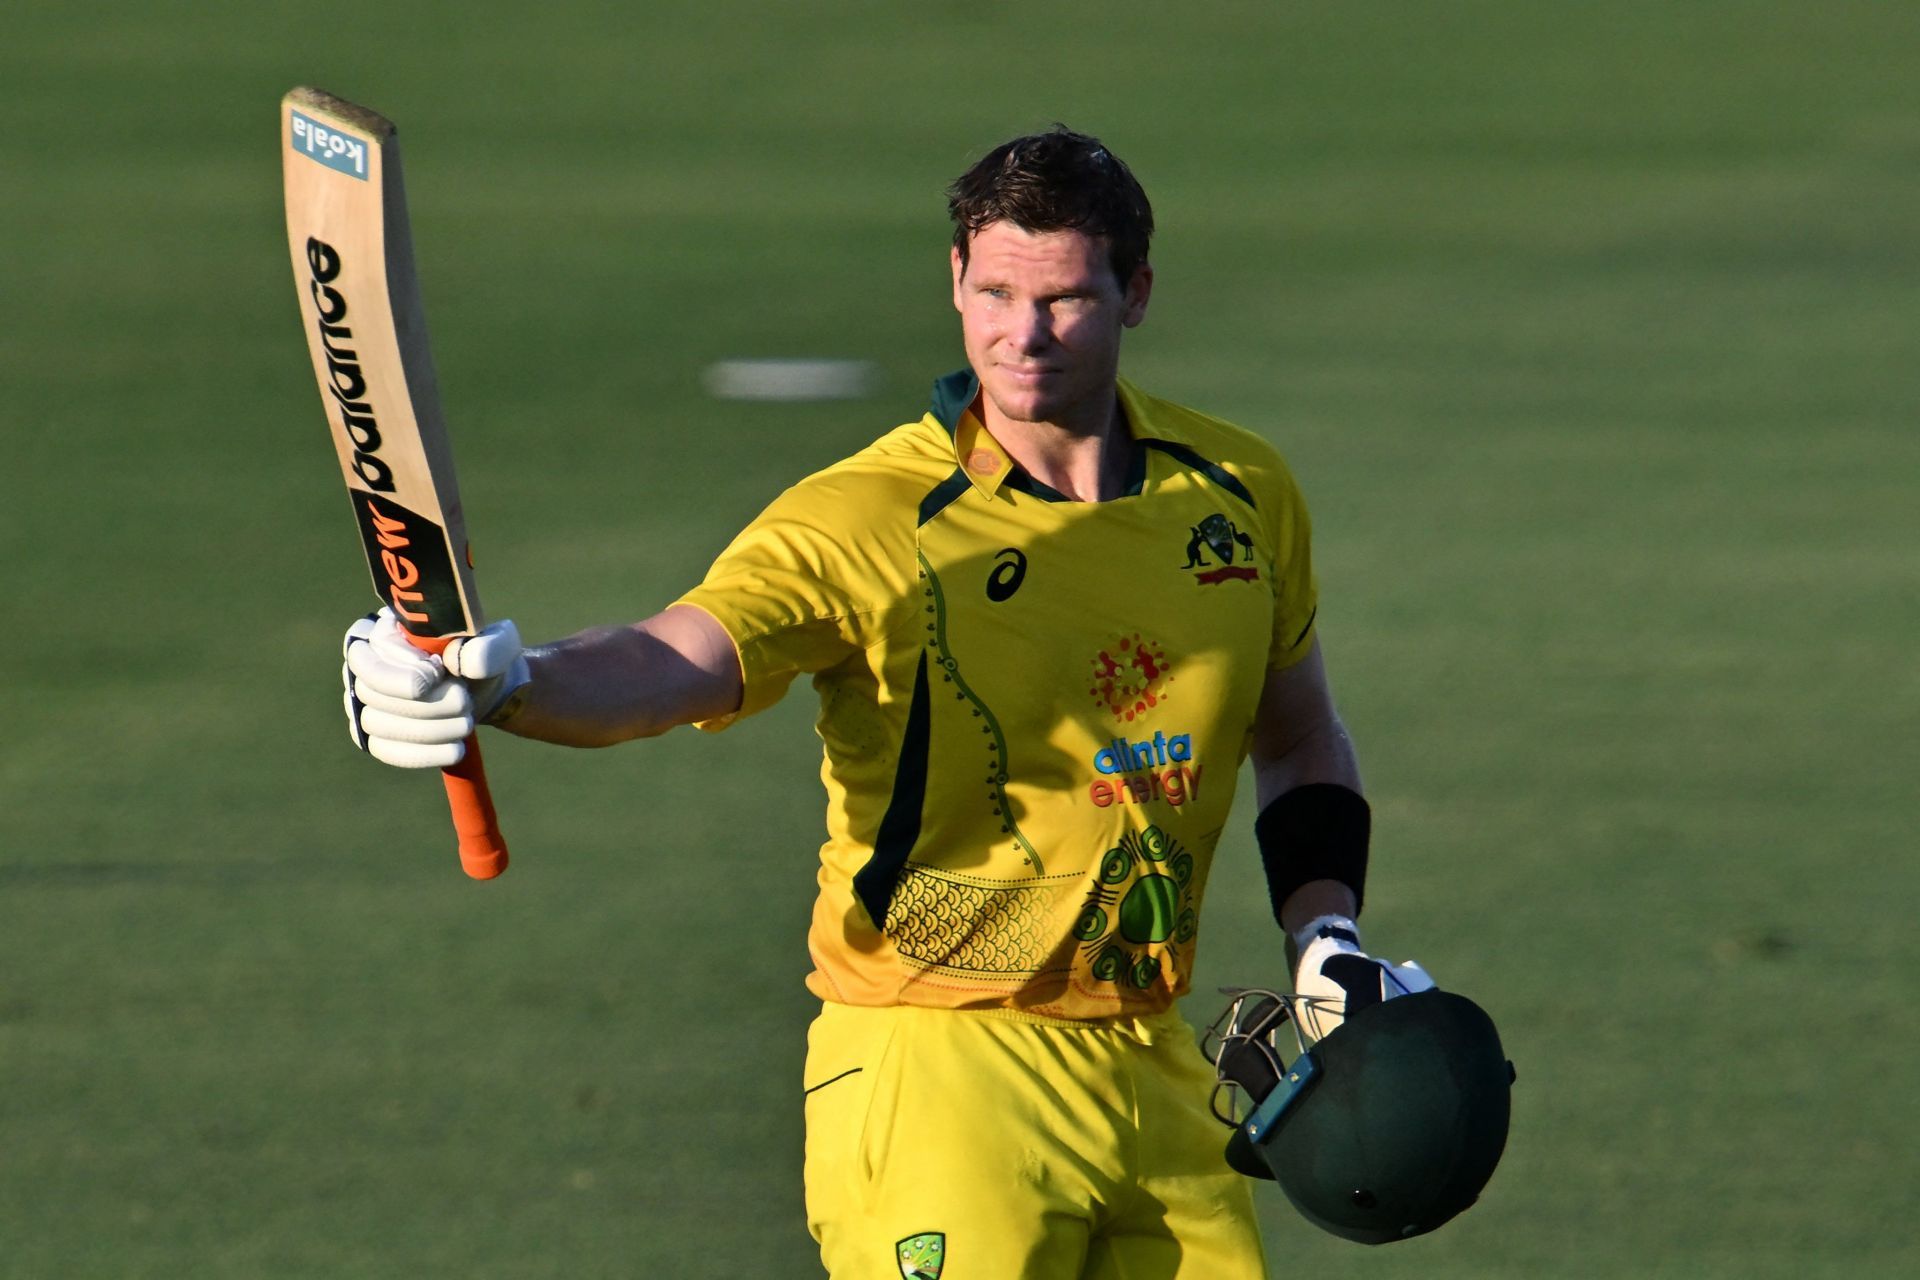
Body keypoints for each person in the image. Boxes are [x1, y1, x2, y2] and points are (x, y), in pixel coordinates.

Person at [341, 126, 1406, 1279]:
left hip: (1151, 1059)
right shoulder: (866, 517)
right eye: (994, 292)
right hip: (937, 1066)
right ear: (954, 280)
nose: (1023, 335)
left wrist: (1325, 934)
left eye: (1064, 299)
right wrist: (510, 682)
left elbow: (1298, 738)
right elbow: (671, 657)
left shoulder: (1240, 493)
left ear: (1136, 292)